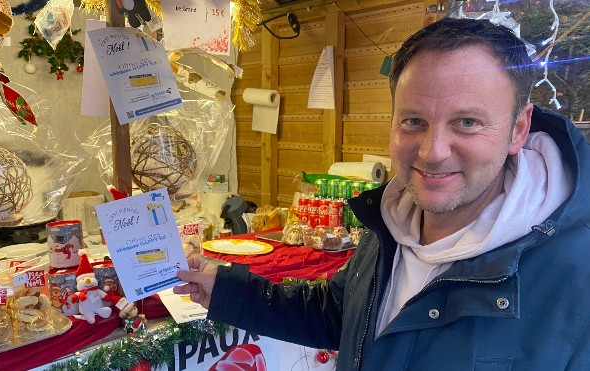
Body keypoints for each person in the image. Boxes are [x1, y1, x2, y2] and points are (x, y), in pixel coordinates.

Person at [174, 17, 590, 369]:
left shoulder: (575, 274)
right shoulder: (393, 219)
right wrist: (227, 289)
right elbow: (340, 314)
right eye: (413, 121)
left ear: (519, 129)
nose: (433, 152)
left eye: (467, 122)